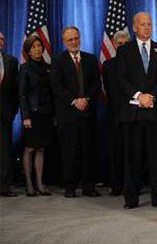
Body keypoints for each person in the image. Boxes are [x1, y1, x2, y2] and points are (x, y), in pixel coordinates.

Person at [117, 12, 157, 209]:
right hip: (133, 113)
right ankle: (131, 199)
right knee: (132, 158)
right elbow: (121, 78)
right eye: (143, 24)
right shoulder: (125, 51)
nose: (147, 28)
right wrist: (139, 96)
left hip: (155, 112)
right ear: (134, 27)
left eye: (149, 24)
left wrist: (151, 96)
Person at [50, 26, 101, 198]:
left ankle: (89, 186)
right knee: (69, 152)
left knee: (89, 151)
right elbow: (57, 86)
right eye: (70, 39)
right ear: (64, 42)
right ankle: (70, 187)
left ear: (80, 38)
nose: (73, 42)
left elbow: (96, 84)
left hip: (88, 112)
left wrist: (86, 99)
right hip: (68, 114)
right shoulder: (58, 61)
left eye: (76, 38)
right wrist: (74, 101)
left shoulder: (91, 59)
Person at [19, 35, 54, 196]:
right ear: (28, 51)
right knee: (30, 147)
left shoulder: (48, 67)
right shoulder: (24, 68)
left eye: (39, 46)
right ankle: (29, 183)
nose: (37, 49)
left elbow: (51, 93)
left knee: (41, 148)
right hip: (31, 114)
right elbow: (23, 95)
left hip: (45, 114)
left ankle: (40, 183)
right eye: (33, 47)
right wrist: (25, 116)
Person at [102, 30, 131, 196]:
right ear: (113, 44)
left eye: (125, 44)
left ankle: (132, 183)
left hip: (132, 112)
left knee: (132, 151)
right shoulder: (107, 65)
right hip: (114, 114)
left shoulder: (136, 64)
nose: (122, 47)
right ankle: (116, 184)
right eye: (119, 44)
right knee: (115, 151)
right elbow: (108, 90)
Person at [0, 31, 19, 197]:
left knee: (5, 152)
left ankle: (5, 187)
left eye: (2, 39)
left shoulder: (11, 61)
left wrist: (12, 112)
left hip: (4, 116)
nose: (0, 42)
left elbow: (15, 91)